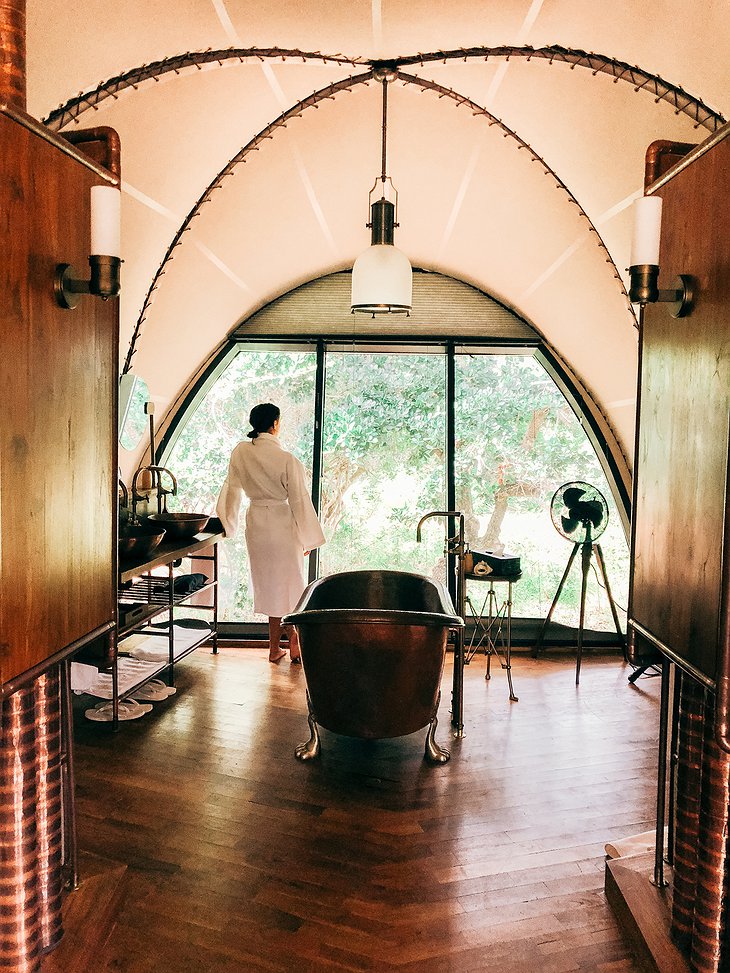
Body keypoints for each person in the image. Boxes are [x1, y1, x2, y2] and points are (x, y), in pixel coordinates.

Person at [216, 403, 325, 664]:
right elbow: (299, 500)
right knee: (291, 584)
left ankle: (274, 648)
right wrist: (308, 538)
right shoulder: (287, 459)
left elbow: (232, 489)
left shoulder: (241, 452)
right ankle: (295, 640)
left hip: (257, 526)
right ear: (275, 424)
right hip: (283, 525)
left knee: (269, 586)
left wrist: (226, 523)